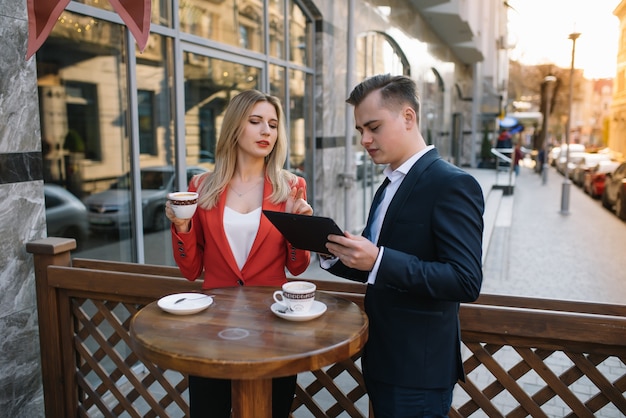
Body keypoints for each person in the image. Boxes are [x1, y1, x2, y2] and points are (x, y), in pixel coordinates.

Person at [321, 74, 484, 417]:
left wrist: (378, 258)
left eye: (373, 127)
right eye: (360, 131)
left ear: (408, 117)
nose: (365, 139)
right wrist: (327, 250)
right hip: (382, 358)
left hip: (419, 373)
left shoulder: (452, 184)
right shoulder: (389, 183)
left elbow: (465, 281)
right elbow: (376, 268)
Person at [165, 89, 313, 418]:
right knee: (208, 411)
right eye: (256, 121)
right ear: (235, 126)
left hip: (274, 325)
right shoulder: (201, 187)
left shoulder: (291, 186)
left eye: (273, 125)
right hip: (212, 325)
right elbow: (190, 271)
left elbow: (298, 267)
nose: (266, 132)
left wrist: (298, 230)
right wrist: (183, 228)